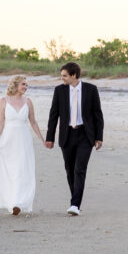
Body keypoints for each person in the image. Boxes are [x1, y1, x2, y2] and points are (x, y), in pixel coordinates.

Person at [45, 61, 103, 216]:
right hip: (67, 135)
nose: (62, 78)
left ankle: (75, 204)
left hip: (85, 135)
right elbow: (53, 115)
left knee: (80, 169)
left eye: (64, 76)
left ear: (74, 75)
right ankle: (75, 201)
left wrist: (99, 137)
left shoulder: (91, 89)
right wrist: (50, 137)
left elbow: (98, 114)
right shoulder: (59, 90)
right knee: (70, 170)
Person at [0, 74, 47, 215]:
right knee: (10, 171)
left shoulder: (28, 101)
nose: (26, 87)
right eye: (23, 84)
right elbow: (1, 122)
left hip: (24, 140)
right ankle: (12, 201)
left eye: (27, 85)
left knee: (21, 170)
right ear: (15, 84)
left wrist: (42, 139)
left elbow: (33, 122)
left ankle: (18, 203)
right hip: (8, 140)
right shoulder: (3, 101)